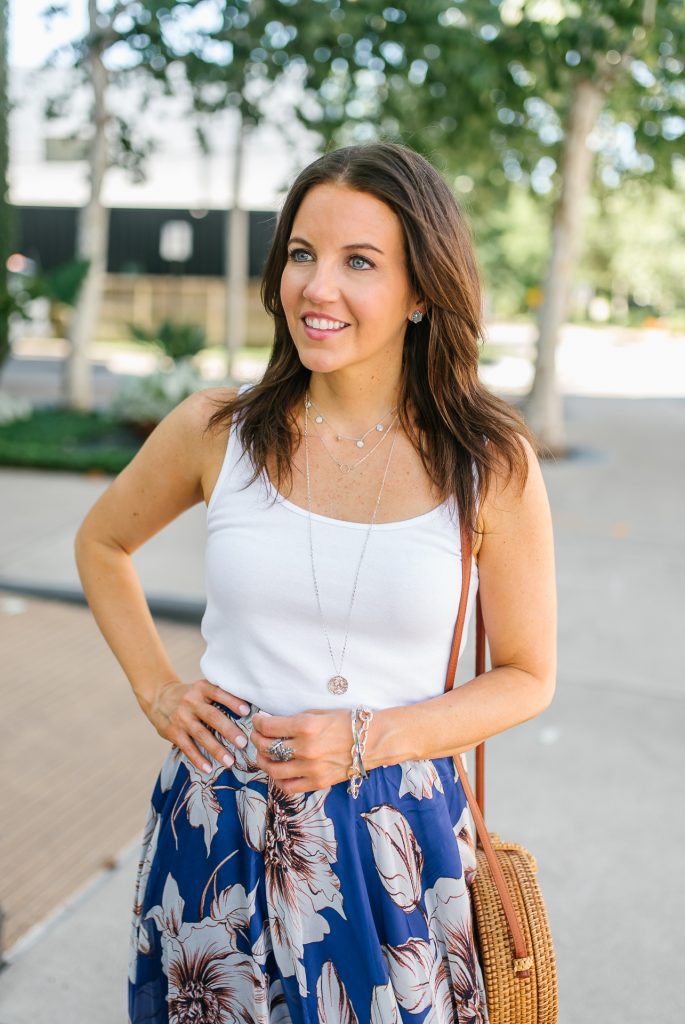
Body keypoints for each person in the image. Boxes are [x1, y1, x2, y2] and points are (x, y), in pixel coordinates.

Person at [75, 141, 556, 1024]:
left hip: (396, 844)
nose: (315, 288)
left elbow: (527, 674)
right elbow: (102, 544)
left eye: (358, 262)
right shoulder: (213, 431)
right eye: (301, 253)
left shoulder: (487, 461)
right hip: (214, 829)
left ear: (422, 292)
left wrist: (368, 739)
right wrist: (158, 689)